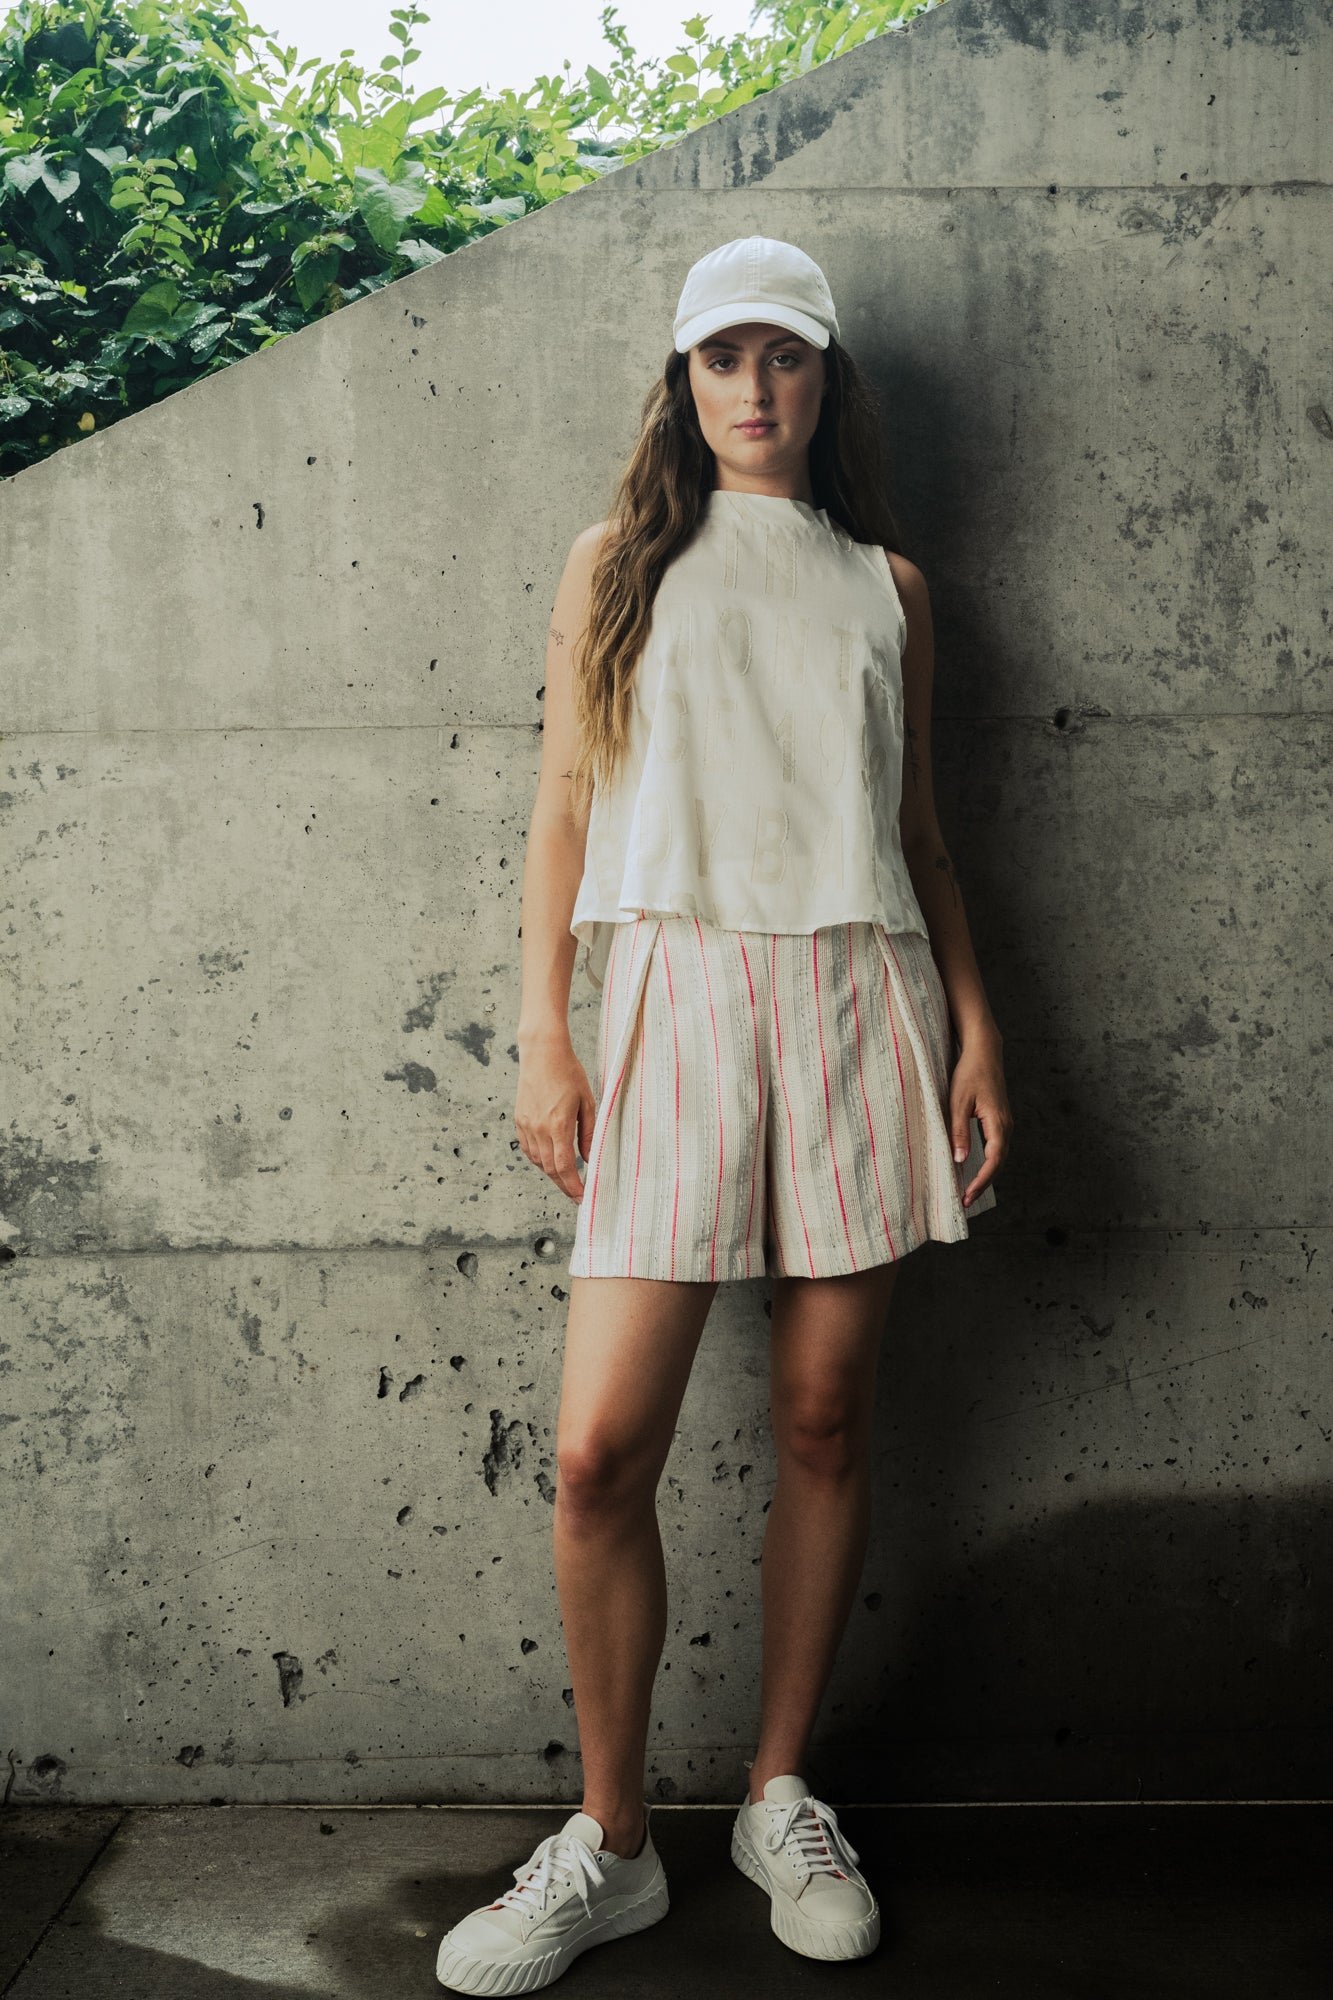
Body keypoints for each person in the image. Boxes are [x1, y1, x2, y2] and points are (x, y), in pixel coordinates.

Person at [436, 235, 1013, 1993]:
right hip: (673, 999)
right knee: (597, 1454)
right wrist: (544, 1035)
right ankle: (611, 1843)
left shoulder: (888, 585)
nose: (754, 390)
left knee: (826, 1420)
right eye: (721, 359)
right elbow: (559, 808)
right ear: (680, 382)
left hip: (855, 998)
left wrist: (977, 1031)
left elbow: (916, 836)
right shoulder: (616, 561)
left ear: (827, 380)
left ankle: (777, 1795)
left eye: (786, 357)